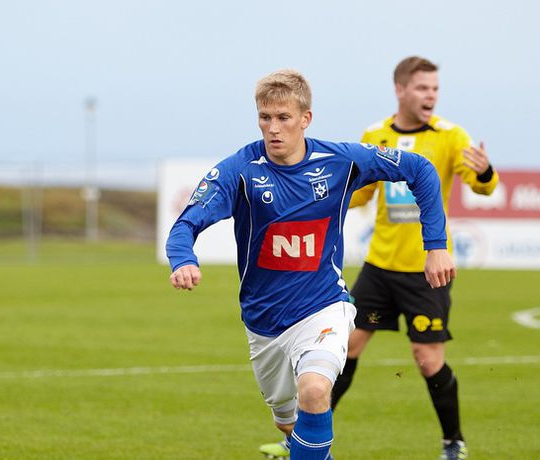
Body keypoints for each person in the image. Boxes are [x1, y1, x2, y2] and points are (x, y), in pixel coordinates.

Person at [166, 69, 455, 460]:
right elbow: (186, 224)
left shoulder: (341, 161)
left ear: (306, 118)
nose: (273, 128)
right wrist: (183, 259)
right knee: (290, 425)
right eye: (265, 117)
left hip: (323, 307)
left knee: (316, 390)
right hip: (264, 322)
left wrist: (435, 245)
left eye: (283, 118)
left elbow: (420, 169)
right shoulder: (239, 170)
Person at [330, 57, 499, 460]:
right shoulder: (375, 134)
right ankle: (303, 437)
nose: (431, 96)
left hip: (427, 272)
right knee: (345, 347)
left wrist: (485, 172)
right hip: (379, 267)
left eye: (435, 89)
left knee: (427, 359)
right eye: (423, 88)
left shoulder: (451, 136)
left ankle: (454, 442)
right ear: (400, 90)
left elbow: (482, 186)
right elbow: (363, 192)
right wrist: (326, 199)